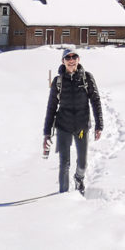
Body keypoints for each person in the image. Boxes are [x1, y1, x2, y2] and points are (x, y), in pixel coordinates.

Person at [43, 47, 103, 194]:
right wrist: (47, 133)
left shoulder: (87, 78)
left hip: (82, 128)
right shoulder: (58, 81)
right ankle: (63, 196)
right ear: (63, 61)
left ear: (78, 59)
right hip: (63, 127)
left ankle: (79, 178)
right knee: (64, 164)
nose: (71, 60)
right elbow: (51, 107)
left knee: (82, 162)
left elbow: (95, 100)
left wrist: (99, 125)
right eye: (67, 58)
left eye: (73, 57)